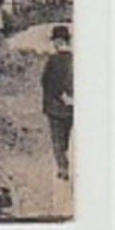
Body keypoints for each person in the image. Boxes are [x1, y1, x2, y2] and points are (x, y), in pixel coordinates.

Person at [41, 25, 74, 180]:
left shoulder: (53, 60)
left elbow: (46, 81)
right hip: (71, 106)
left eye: (54, 41)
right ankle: (67, 159)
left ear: (58, 41)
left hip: (55, 107)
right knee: (66, 135)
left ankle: (62, 167)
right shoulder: (74, 59)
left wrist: (58, 95)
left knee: (56, 138)